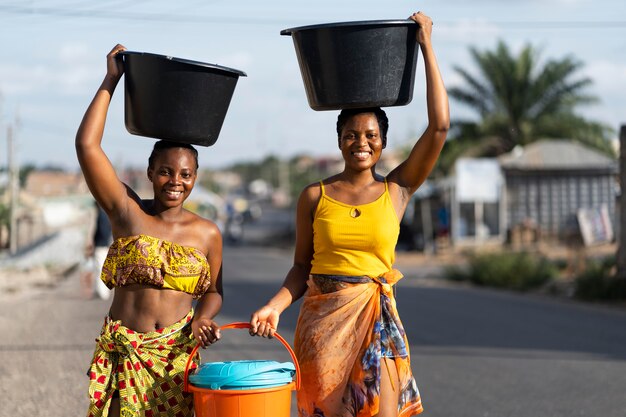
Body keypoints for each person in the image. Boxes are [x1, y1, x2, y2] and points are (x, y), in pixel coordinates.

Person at [249, 12, 449, 417]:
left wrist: (426, 45)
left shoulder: (397, 189)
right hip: (323, 328)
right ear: (339, 140)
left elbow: (440, 127)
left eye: (371, 136)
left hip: (378, 320)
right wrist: (274, 306)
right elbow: (301, 268)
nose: (361, 142)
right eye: (351, 135)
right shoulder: (314, 196)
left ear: (383, 142)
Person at [76, 44, 224, 417]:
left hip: (174, 360)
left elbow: (214, 292)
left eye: (185, 174)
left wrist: (204, 318)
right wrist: (111, 79)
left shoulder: (207, 233)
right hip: (126, 353)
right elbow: (87, 145)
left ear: (195, 179)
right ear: (149, 173)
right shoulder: (127, 213)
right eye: (165, 171)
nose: (175, 181)